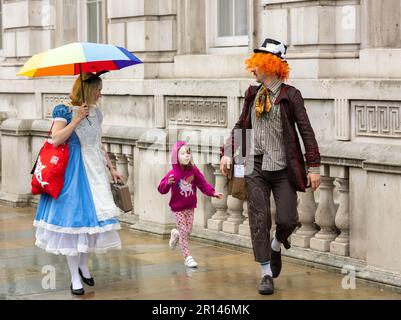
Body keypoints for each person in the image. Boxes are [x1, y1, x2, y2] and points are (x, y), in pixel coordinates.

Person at [220, 38, 321, 295]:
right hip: (255, 166)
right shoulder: (252, 94)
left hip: (284, 168)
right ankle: (265, 273)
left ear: (271, 65)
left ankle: (277, 244)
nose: (253, 69)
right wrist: (229, 152)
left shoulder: (290, 96)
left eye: (257, 64)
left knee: (288, 219)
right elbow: (242, 126)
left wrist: (314, 165)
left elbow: (306, 132)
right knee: (259, 218)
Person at [34, 72, 124, 295]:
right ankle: (75, 276)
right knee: (72, 226)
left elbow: (98, 143)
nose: (100, 94)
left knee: (93, 225)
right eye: (98, 89)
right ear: (86, 90)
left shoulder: (97, 113)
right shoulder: (63, 110)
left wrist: (111, 168)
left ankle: (83, 264)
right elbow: (55, 139)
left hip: (95, 172)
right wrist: (76, 119)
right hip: (73, 174)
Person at [158, 141, 223, 268]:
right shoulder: (172, 174)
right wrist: (168, 184)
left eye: (188, 152)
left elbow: (203, 184)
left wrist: (213, 192)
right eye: (182, 153)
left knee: (187, 231)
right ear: (175, 157)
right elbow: (161, 189)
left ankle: (175, 233)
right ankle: (187, 257)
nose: (186, 155)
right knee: (184, 232)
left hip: (190, 206)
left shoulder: (193, 170)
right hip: (178, 208)